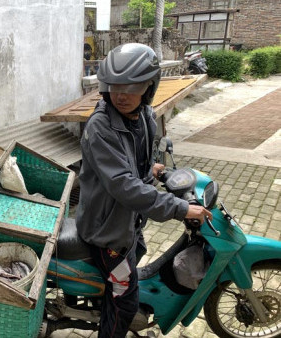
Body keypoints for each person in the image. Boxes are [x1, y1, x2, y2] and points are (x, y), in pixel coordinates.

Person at [75, 43, 212, 338]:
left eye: (132, 87)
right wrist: (181, 209)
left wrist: (154, 169)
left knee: (135, 257)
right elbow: (124, 185)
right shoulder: (100, 127)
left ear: (149, 87)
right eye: (115, 87)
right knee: (125, 302)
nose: (122, 95)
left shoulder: (146, 117)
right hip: (106, 232)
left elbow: (138, 160)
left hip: (128, 223)